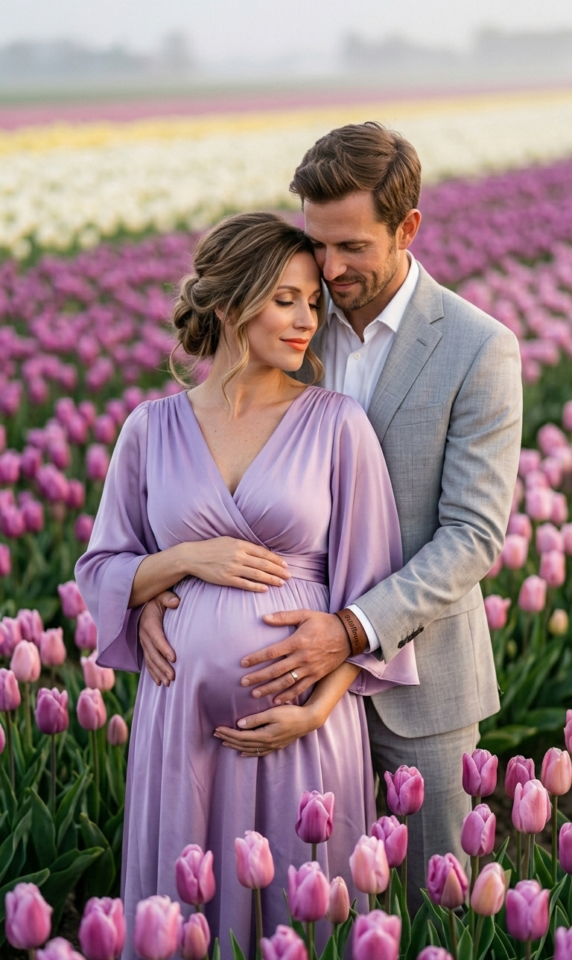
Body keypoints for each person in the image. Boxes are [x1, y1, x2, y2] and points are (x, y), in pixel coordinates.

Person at [139, 123, 523, 908]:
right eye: (320, 244)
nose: (332, 268)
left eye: (353, 246)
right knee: (311, 915)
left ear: (407, 229)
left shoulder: (479, 349)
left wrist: (349, 630)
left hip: (421, 691)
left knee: (433, 913)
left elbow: (472, 537)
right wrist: (152, 588)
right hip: (283, 696)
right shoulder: (292, 327)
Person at [75, 211, 418, 960]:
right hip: (180, 725)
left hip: (304, 732)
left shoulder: (338, 426)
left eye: (313, 306)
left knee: (300, 934)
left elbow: (373, 594)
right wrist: (184, 561)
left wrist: (317, 711)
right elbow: (100, 567)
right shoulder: (149, 429)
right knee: (182, 931)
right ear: (233, 305)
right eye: (287, 302)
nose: (308, 322)